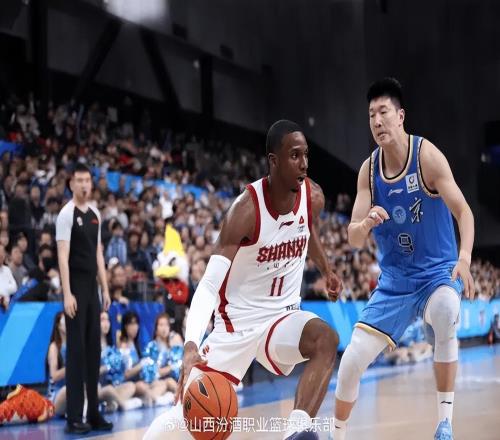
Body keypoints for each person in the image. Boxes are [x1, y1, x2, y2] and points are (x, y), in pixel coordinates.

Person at [144, 120, 343, 440]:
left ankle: (296, 432)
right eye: (295, 155)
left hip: (282, 317)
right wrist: (191, 343)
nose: (304, 163)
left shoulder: (313, 196)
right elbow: (209, 285)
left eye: (306, 155)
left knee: (326, 339)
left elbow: (309, 230)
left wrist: (326, 269)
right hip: (237, 324)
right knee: (187, 413)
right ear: (273, 161)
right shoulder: (246, 211)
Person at [332, 78, 475, 440]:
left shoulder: (426, 156)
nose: (377, 121)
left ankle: (444, 424)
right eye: (371, 115)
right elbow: (353, 237)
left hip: (436, 274)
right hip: (395, 284)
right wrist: (365, 223)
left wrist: (464, 257)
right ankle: (337, 433)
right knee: (350, 362)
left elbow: (464, 212)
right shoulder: (368, 171)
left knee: (445, 311)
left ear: (400, 116)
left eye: (383, 112)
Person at [56, 163, 113, 434]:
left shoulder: (95, 214)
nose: (83, 184)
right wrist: (67, 294)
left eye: (87, 180)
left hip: (92, 289)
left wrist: (106, 288)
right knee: (76, 353)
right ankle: (74, 417)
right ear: (71, 184)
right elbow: (62, 257)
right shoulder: (65, 215)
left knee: (93, 351)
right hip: (75, 289)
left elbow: (98, 253)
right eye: (79, 180)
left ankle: (93, 414)